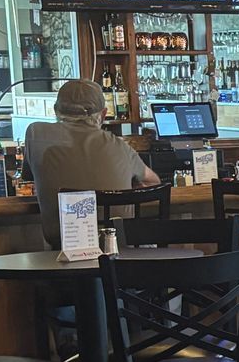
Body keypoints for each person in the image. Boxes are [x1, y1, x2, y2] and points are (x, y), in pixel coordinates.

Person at [25, 78, 160, 247]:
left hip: (62, 251)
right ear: (103, 114)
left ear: (55, 110)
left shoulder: (35, 133)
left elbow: (28, 179)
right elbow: (153, 182)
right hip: (120, 253)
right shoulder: (119, 146)